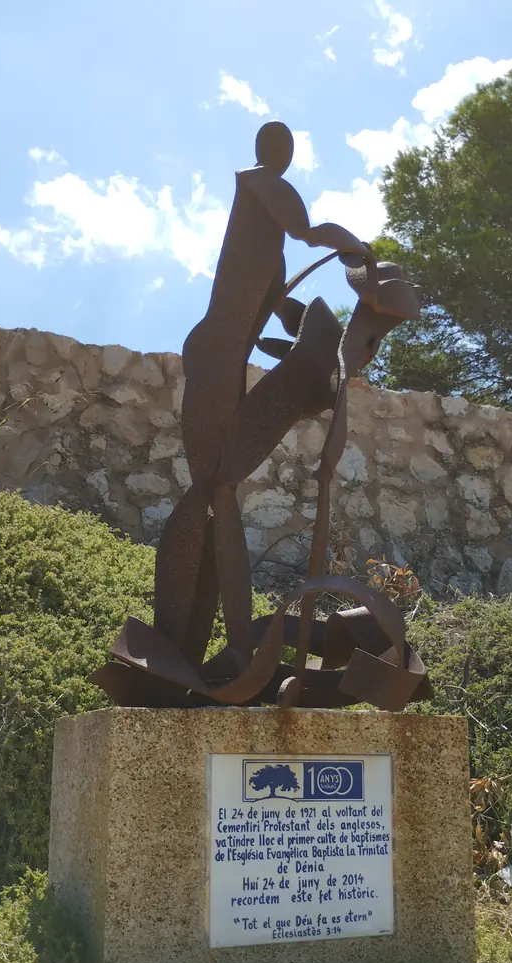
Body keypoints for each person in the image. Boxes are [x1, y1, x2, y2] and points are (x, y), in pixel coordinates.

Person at [153, 121, 373, 668]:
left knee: (218, 492)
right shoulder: (259, 183)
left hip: (224, 362)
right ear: (274, 152)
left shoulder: (262, 237)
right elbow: (308, 232)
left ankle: (217, 647)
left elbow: (274, 301)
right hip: (215, 358)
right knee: (212, 489)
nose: (286, 156)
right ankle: (185, 644)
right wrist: (353, 246)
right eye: (284, 149)